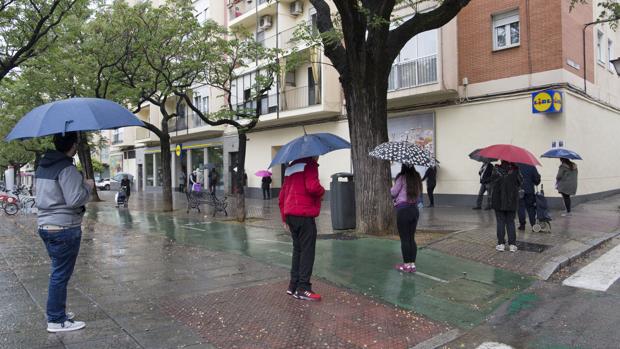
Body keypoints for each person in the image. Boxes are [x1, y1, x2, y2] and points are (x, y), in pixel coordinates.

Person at [35, 132, 93, 332]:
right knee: (60, 275)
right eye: (76, 143)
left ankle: (57, 312)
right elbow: (75, 199)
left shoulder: (43, 166)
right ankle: (56, 319)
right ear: (73, 146)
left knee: (58, 272)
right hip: (64, 228)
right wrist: (87, 187)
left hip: (45, 227)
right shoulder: (66, 169)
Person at [279, 157, 325, 301]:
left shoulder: (291, 167)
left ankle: (293, 285)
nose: (318, 157)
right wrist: (322, 191)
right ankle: (303, 288)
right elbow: (312, 186)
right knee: (307, 251)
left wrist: (284, 217)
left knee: (297, 250)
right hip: (304, 214)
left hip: (290, 213)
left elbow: (282, 194)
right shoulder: (310, 164)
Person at [390, 165, 423, 273]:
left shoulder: (402, 177)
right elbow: (419, 194)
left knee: (404, 239)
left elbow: (393, 193)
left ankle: (406, 265)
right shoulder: (417, 177)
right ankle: (412, 265)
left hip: (403, 210)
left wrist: (394, 186)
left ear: (403, 167)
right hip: (414, 210)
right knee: (411, 238)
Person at [491, 161, 522, 253]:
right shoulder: (516, 170)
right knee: (510, 222)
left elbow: (491, 182)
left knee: (500, 222)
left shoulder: (496, 169)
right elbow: (520, 182)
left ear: (501, 160)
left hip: (498, 200)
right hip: (511, 200)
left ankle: (501, 244)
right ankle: (512, 245)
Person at [517, 164, 541, 230]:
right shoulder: (531, 166)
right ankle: (533, 225)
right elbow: (536, 179)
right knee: (531, 208)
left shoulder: (516, 165)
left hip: (519, 190)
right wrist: (538, 178)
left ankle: (522, 225)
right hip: (529, 190)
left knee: (520, 208)